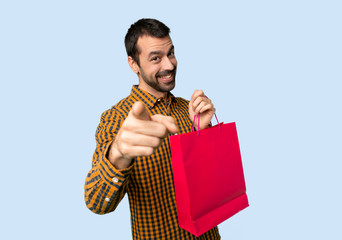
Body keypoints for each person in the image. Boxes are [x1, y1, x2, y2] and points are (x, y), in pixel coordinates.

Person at [84, 18, 221, 240]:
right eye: (156, 58)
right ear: (133, 64)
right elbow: (96, 202)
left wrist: (203, 133)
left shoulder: (189, 109)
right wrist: (119, 153)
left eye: (171, 54)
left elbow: (214, 187)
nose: (169, 65)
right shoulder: (116, 118)